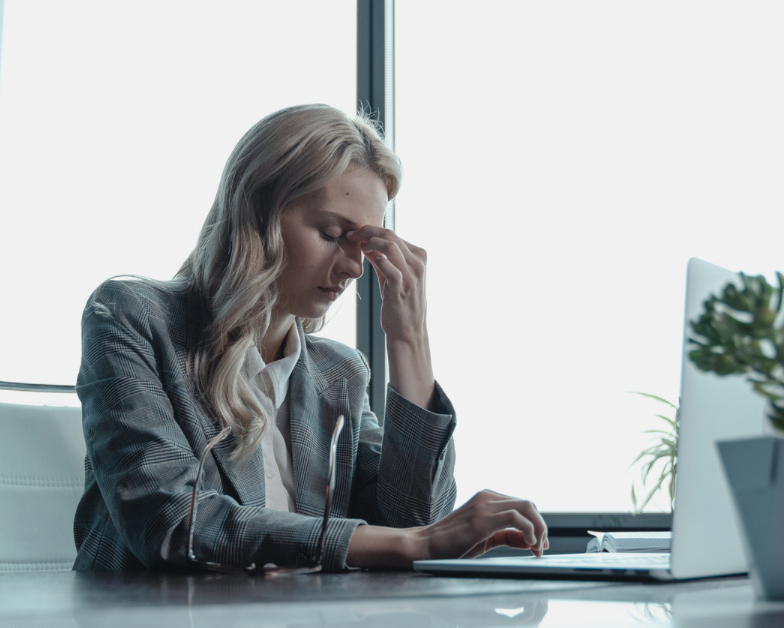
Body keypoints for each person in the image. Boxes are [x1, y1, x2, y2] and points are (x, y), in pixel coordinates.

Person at [72, 104, 547, 571]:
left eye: (363, 244)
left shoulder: (338, 373)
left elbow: (412, 523)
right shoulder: (131, 317)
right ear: (256, 214)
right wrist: (413, 542)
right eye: (332, 233)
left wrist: (410, 342)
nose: (354, 267)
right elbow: (171, 523)